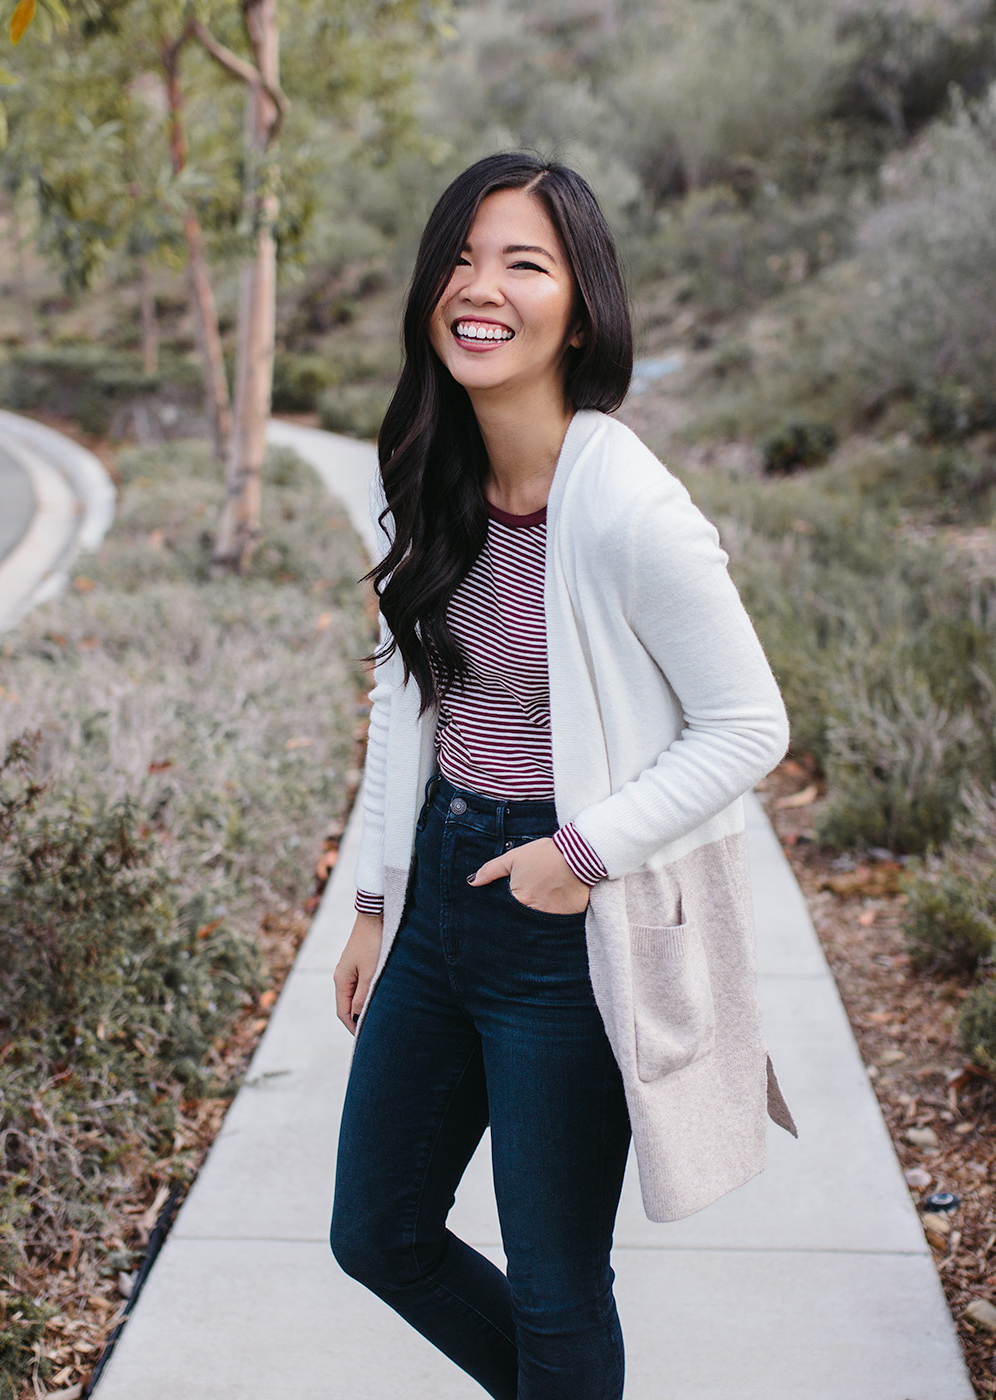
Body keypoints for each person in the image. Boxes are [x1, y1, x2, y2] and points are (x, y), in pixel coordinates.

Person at [330, 151, 797, 1400]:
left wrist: (576, 853)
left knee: (553, 1286)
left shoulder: (632, 507)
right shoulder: (428, 473)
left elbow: (750, 722)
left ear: (578, 308)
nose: (480, 288)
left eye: (522, 263)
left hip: (564, 912)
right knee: (375, 1229)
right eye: (463, 258)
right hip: (438, 895)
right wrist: (375, 905)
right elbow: (402, 700)